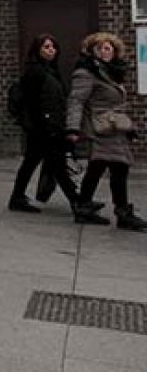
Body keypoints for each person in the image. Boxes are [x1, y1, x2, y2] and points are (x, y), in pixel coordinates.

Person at [7, 34, 105, 222]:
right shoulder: (35, 72)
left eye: (53, 47)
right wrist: (45, 125)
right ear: (37, 50)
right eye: (46, 47)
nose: (51, 50)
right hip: (44, 129)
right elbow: (33, 103)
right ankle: (77, 203)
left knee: (32, 163)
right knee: (58, 166)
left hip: (49, 126)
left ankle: (17, 197)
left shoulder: (50, 70)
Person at [67, 32, 147, 230]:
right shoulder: (86, 73)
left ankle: (88, 207)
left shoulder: (111, 72)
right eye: (101, 47)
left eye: (109, 47)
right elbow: (76, 101)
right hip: (100, 128)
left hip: (114, 128)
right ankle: (119, 213)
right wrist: (73, 128)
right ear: (92, 50)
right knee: (111, 167)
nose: (106, 51)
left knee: (104, 167)